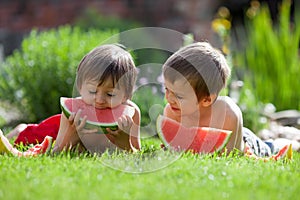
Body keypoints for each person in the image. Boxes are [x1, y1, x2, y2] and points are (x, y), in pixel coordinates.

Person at [5, 44, 141, 154]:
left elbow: (137, 152)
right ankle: (20, 128)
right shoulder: (72, 112)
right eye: (92, 91)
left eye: (110, 94)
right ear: (80, 87)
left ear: (126, 94)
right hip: (55, 129)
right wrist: (71, 135)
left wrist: (125, 142)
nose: (99, 100)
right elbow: (56, 152)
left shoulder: (131, 113)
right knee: (27, 134)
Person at [162, 41, 272, 156]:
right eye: (167, 89)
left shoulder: (227, 114)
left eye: (179, 96)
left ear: (206, 100)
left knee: (270, 148)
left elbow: (228, 156)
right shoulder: (171, 112)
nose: (169, 98)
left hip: (248, 143)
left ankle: (276, 144)